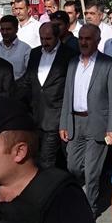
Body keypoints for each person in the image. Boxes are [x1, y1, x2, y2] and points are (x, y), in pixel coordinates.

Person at [60, 24, 112, 208]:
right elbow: (67, 95)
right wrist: (64, 123)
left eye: (88, 39)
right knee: (72, 166)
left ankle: (90, 208)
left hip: (97, 123)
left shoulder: (109, 65)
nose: (84, 42)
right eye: (81, 38)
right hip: (75, 122)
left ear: (97, 41)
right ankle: (85, 194)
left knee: (92, 172)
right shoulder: (72, 63)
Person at [26, 22, 76, 169]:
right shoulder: (35, 53)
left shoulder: (69, 55)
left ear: (57, 37)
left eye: (48, 39)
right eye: (41, 38)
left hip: (55, 116)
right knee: (35, 157)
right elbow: (28, 80)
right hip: (36, 115)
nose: (44, 42)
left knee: (47, 160)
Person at [0, 13, 31, 81]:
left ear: (16, 30)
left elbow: (29, 73)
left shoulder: (25, 49)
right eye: (2, 29)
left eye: (8, 29)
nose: (5, 32)